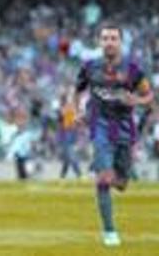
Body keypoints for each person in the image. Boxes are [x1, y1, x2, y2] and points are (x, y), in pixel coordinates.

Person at [74, 26, 153, 248]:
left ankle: (104, 168)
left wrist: (135, 101)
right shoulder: (90, 68)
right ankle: (110, 232)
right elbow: (78, 90)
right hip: (99, 127)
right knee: (104, 180)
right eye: (105, 38)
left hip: (125, 130)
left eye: (113, 38)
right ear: (100, 41)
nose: (109, 42)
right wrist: (78, 111)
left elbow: (148, 96)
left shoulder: (133, 69)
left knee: (121, 183)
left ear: (120, 42)